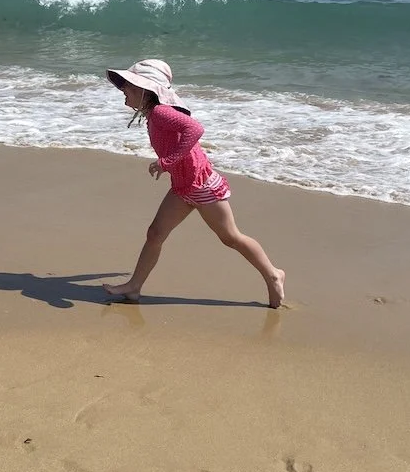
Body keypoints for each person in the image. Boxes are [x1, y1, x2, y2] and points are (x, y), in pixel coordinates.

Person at [102, 59, 285, 308]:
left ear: (145, 91)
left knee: (231, 238)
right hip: (182, 187)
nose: (123, 90)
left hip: (202, 186)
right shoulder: (152, 115)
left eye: (129, 87)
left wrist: (167, 161)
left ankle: (273, 274)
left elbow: (195, 129)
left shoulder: (161, 112)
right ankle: (134, 286)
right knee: (155, 233)